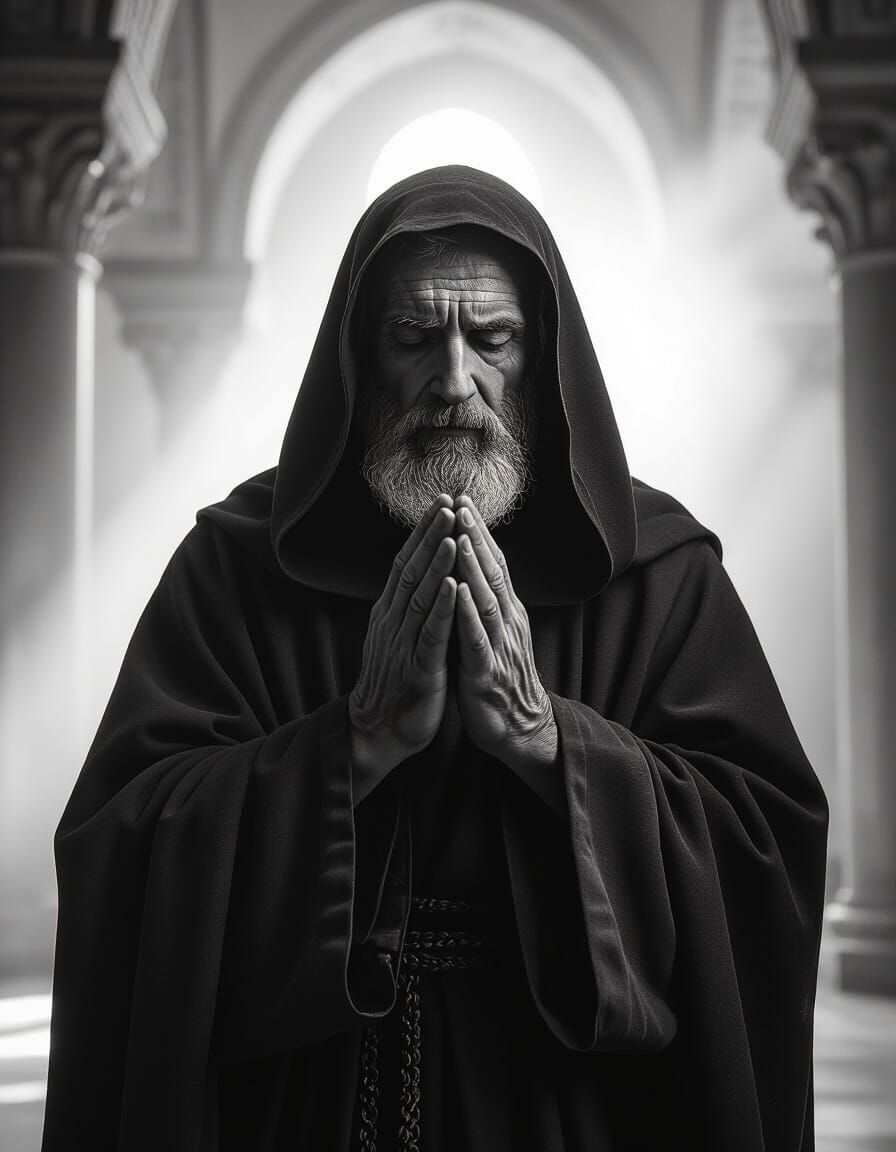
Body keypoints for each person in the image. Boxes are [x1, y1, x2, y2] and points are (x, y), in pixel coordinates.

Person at [41, 166, 828, 1152]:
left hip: (564, 1101)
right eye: (412, 339)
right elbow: (124, 846)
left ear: (539, 363)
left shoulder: (654, 575)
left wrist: (552, 747)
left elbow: (761, 844)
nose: (452, 381)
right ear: (357, 363)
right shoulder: (236, 567)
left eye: (489, 340)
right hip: (308, 1100)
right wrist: (354, 743)